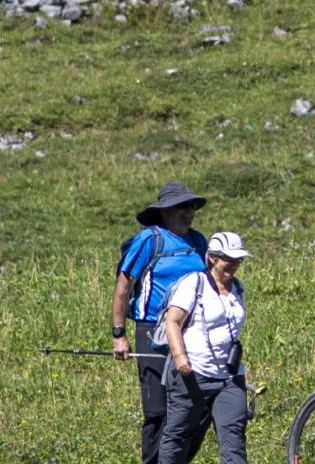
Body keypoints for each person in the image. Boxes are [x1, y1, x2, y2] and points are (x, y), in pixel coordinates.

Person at [112, 182, 209, 464]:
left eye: (191, 207)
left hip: (189, 333)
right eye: (182, 207)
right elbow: (123, 287)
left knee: (196, 405)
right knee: (158, 411)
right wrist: (119, 334)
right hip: (151, 332)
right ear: (165, 211)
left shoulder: (199, 242)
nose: (188, 212)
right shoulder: (149, 240)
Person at [158, 232, 251, 464]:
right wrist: (180, 358)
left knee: (234, 437)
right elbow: (173, 321)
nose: (234, 264)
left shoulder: (238, 288)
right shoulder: (194, 283)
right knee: (178, 435)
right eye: (228, 259)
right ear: (213, 258)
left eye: (238, 259)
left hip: (229, 376)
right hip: (192, 373)